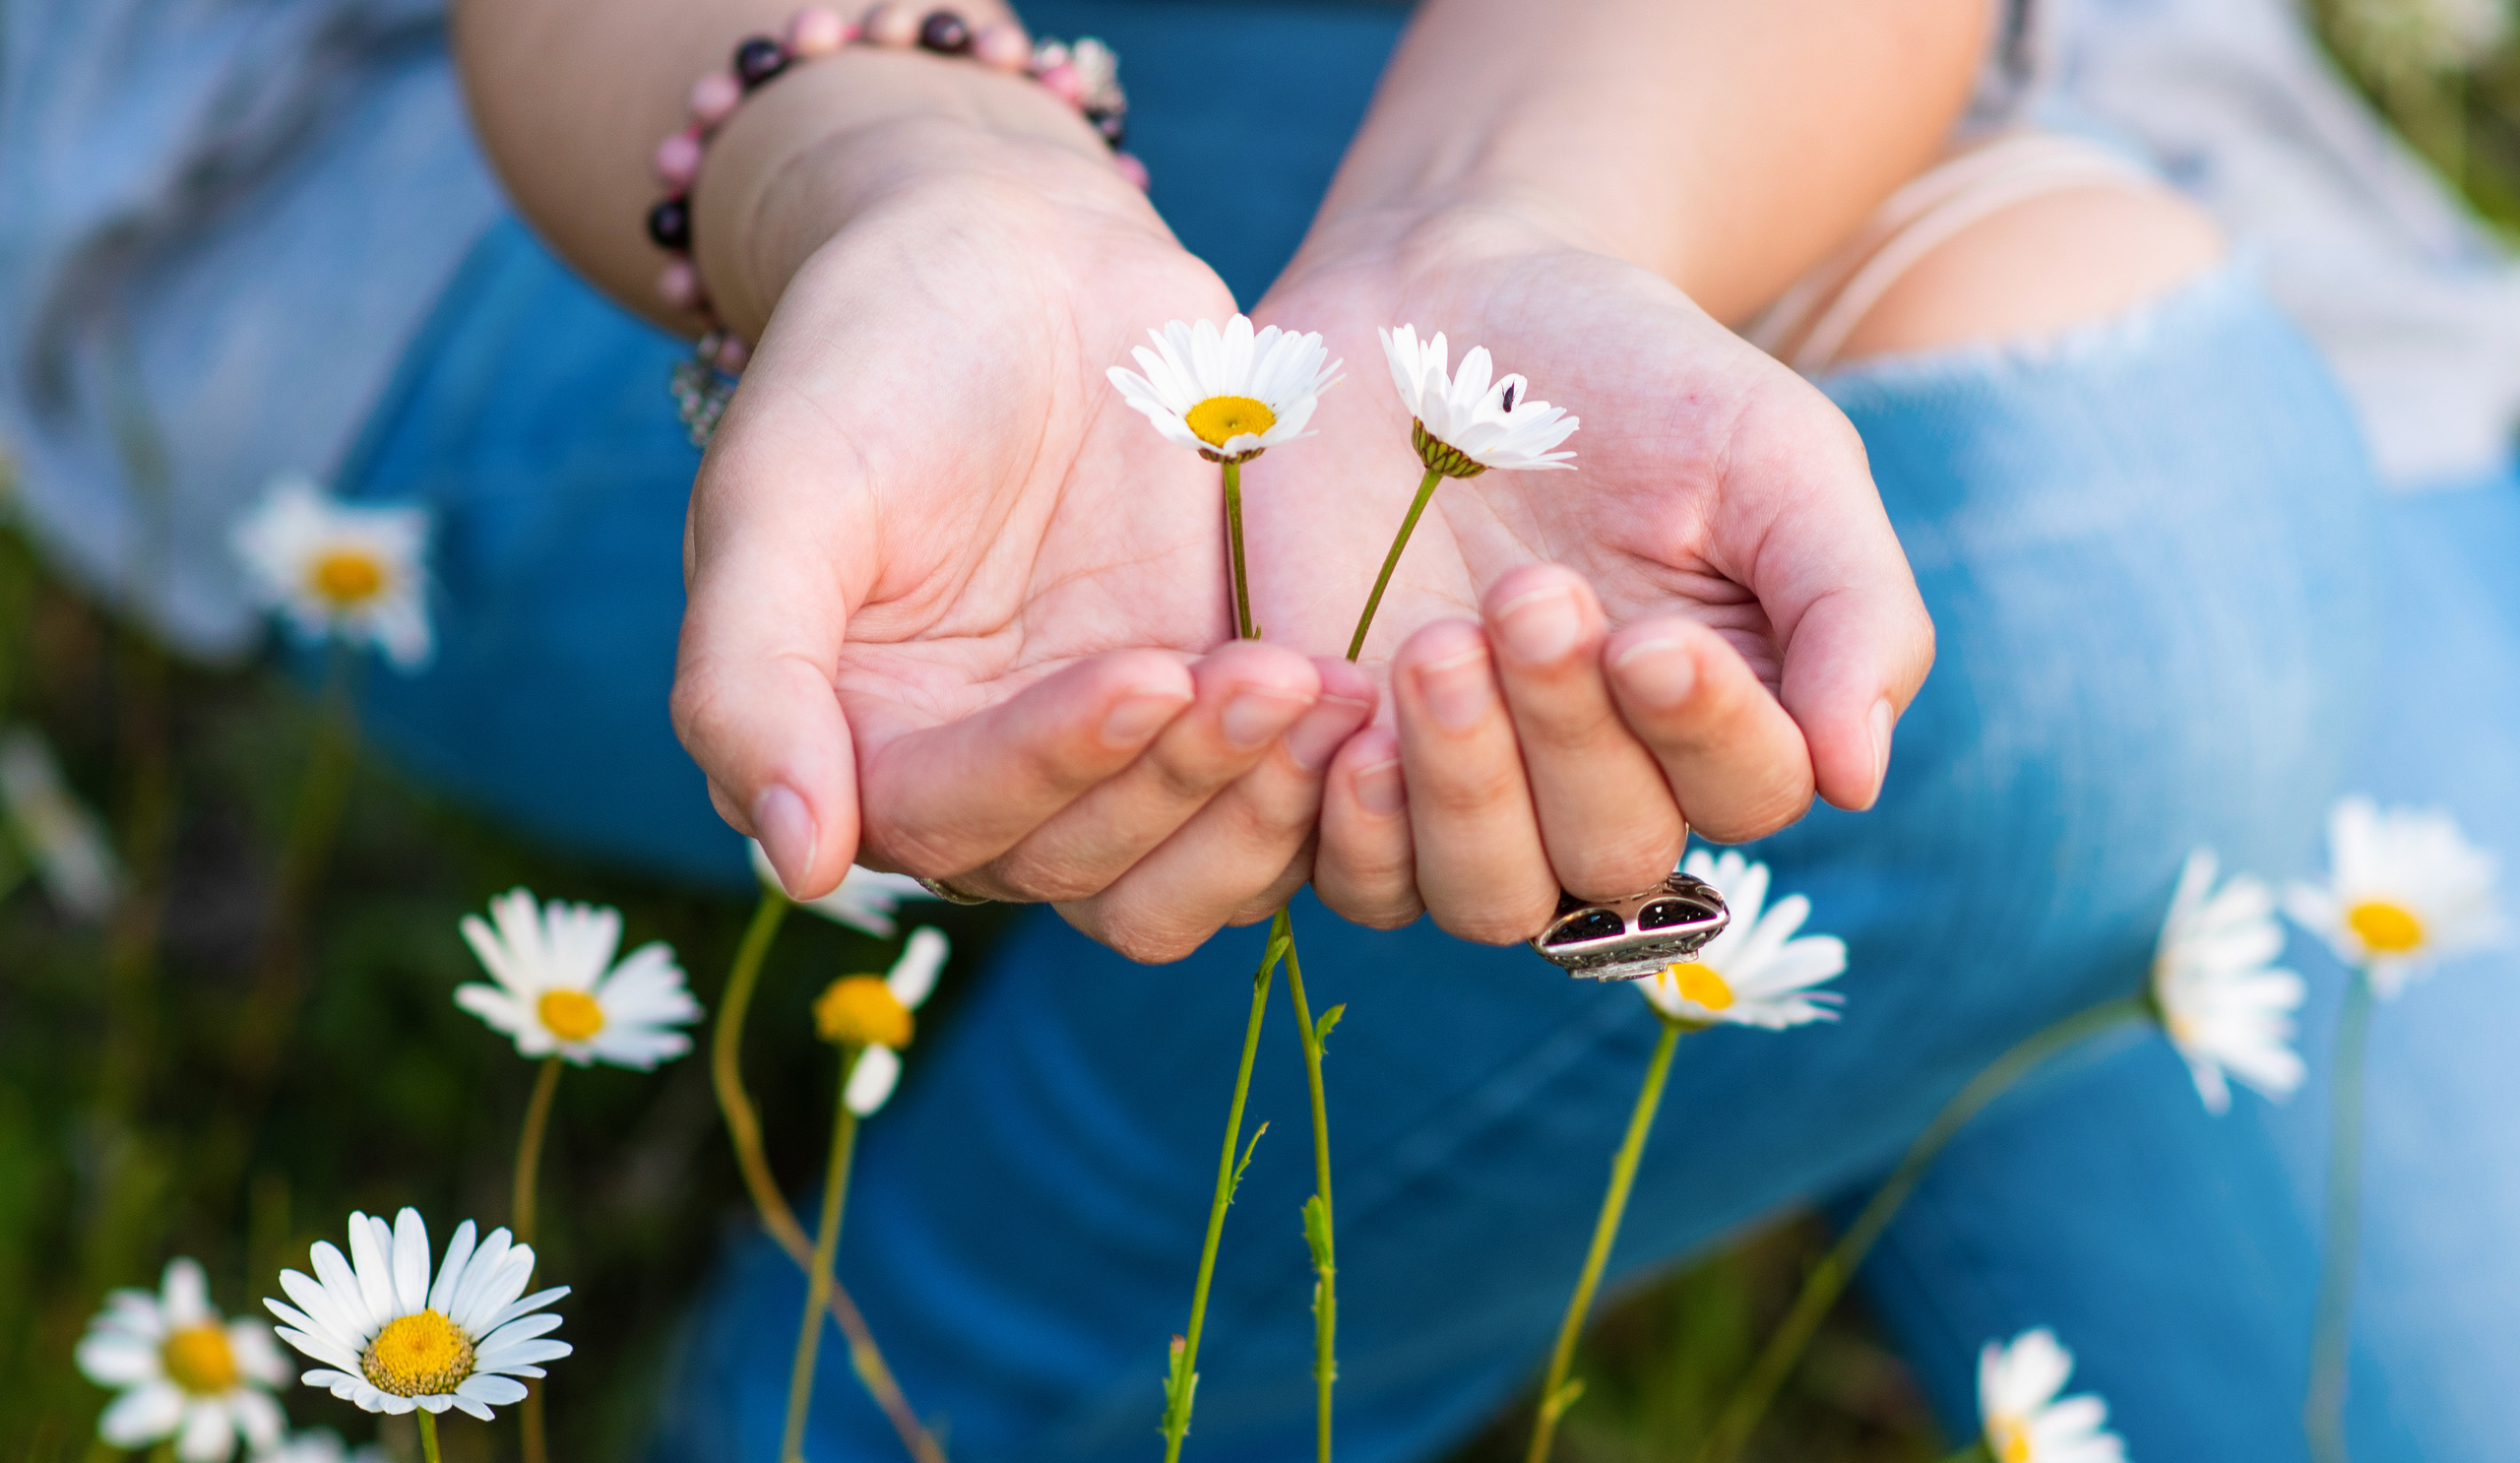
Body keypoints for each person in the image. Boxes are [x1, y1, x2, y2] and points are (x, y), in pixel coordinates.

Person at [5, 0, 2515, 1458]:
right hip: (519, 152)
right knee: (2097, 571)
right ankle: (937, 1396)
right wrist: (897, 173)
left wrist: (1514, 234)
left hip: (1804, 74)